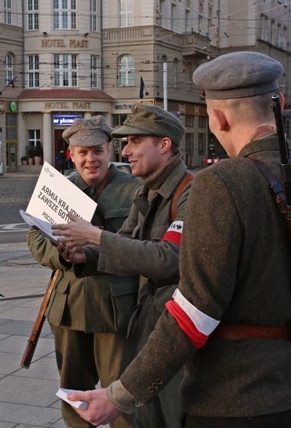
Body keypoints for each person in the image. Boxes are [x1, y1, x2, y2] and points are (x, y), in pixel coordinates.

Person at [66, 52, 291, 428]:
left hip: (230, 402)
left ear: (216, 117)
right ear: (279, 105)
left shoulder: (218, 184)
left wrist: (121, 395)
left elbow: (194, 312)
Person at [53, 104, 193, 428]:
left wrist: (96, 237)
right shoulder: (148, 189)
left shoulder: (189, 192)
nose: (125, 151)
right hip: (144, 325)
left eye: (133, 141)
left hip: (170, 330)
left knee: (157, 415)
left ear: (164, 144)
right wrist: (81, 256)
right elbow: (127, 242)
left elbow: (168, 259)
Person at [26, 115, 141, 428]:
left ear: (109, 151)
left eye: (98, 151)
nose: (91, 159)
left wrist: (90, 251)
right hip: (69, 305)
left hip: (114, 306)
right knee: (73, 390)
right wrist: (61, 255)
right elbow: (36, 236)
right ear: (72, 155)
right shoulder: (58, 189)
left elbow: (140, 246)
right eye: (83, 152)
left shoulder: (134, 192)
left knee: (121, 395)